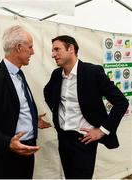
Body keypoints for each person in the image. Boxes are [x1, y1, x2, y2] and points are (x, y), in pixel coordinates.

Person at [0, 25, 51, 179]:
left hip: (27, 150)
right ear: (19, 47)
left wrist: (32, 119)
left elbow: (12, 107)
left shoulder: (19, 74)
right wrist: (7, 142)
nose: (33, 52)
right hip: (6, 156)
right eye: (30, 47)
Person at [44, 35, 129, 179]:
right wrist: (57, 113)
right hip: (64, 139)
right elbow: (48, 93)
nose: (53, 54)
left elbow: (121, 102)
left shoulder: (93, 72)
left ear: (71, 48)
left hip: (84, 140)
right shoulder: (57, 74)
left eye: (57, 49)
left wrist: (102, 130)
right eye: (52, 50)